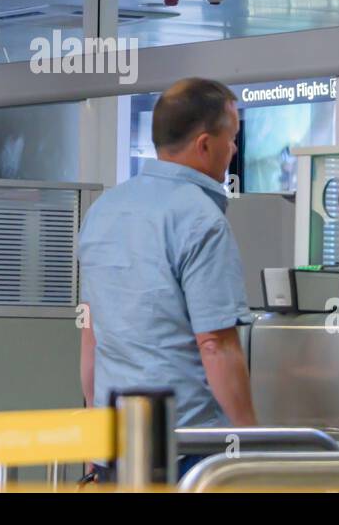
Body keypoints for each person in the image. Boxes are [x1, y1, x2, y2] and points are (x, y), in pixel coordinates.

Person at [79, 77, 256, 477]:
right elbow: (215, 344)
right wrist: (252, 443)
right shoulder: (200, 220)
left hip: (116, 447)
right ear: (205, 145)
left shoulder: (103, 211)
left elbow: (92, 335)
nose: (233, 150)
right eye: (232, 138)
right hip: (188, 452)